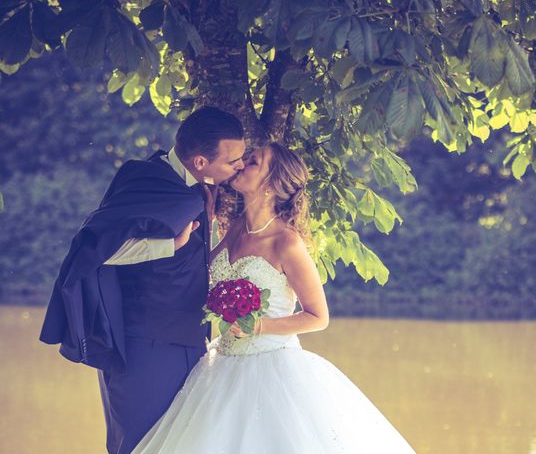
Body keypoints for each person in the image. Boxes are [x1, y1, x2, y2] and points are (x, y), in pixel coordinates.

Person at [131, 142, 416, 453]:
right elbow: (207, 274)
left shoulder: (286, 242)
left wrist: (258, 327)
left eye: (253, 162)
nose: (241, 164)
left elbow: (318, 317)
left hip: (272, 369)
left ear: (272, 184)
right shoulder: (237, 227)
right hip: (221, 365)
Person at [39, 107, 246, 454]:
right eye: (233, 161)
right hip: (144, 344)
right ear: (199, 162)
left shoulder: (200, 188)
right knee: (139, 442)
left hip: (191, 341)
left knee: (182, 442)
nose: (239, 166)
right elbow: (96, 250)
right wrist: (170, 245)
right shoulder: (146, 179)